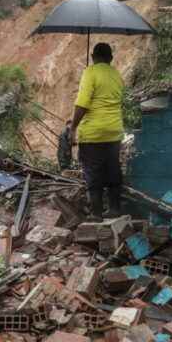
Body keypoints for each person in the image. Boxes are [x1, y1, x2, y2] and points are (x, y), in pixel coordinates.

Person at [71, 43, 124, 220]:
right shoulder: (116, 74)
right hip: (114, 131)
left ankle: (96, 213)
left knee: (93, 171)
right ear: (111, 58)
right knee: (112, 169)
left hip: (93, 133)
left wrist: (73, 127)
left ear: (93, 56)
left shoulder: (90, 72)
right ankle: (115, 209)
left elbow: (82, 103)